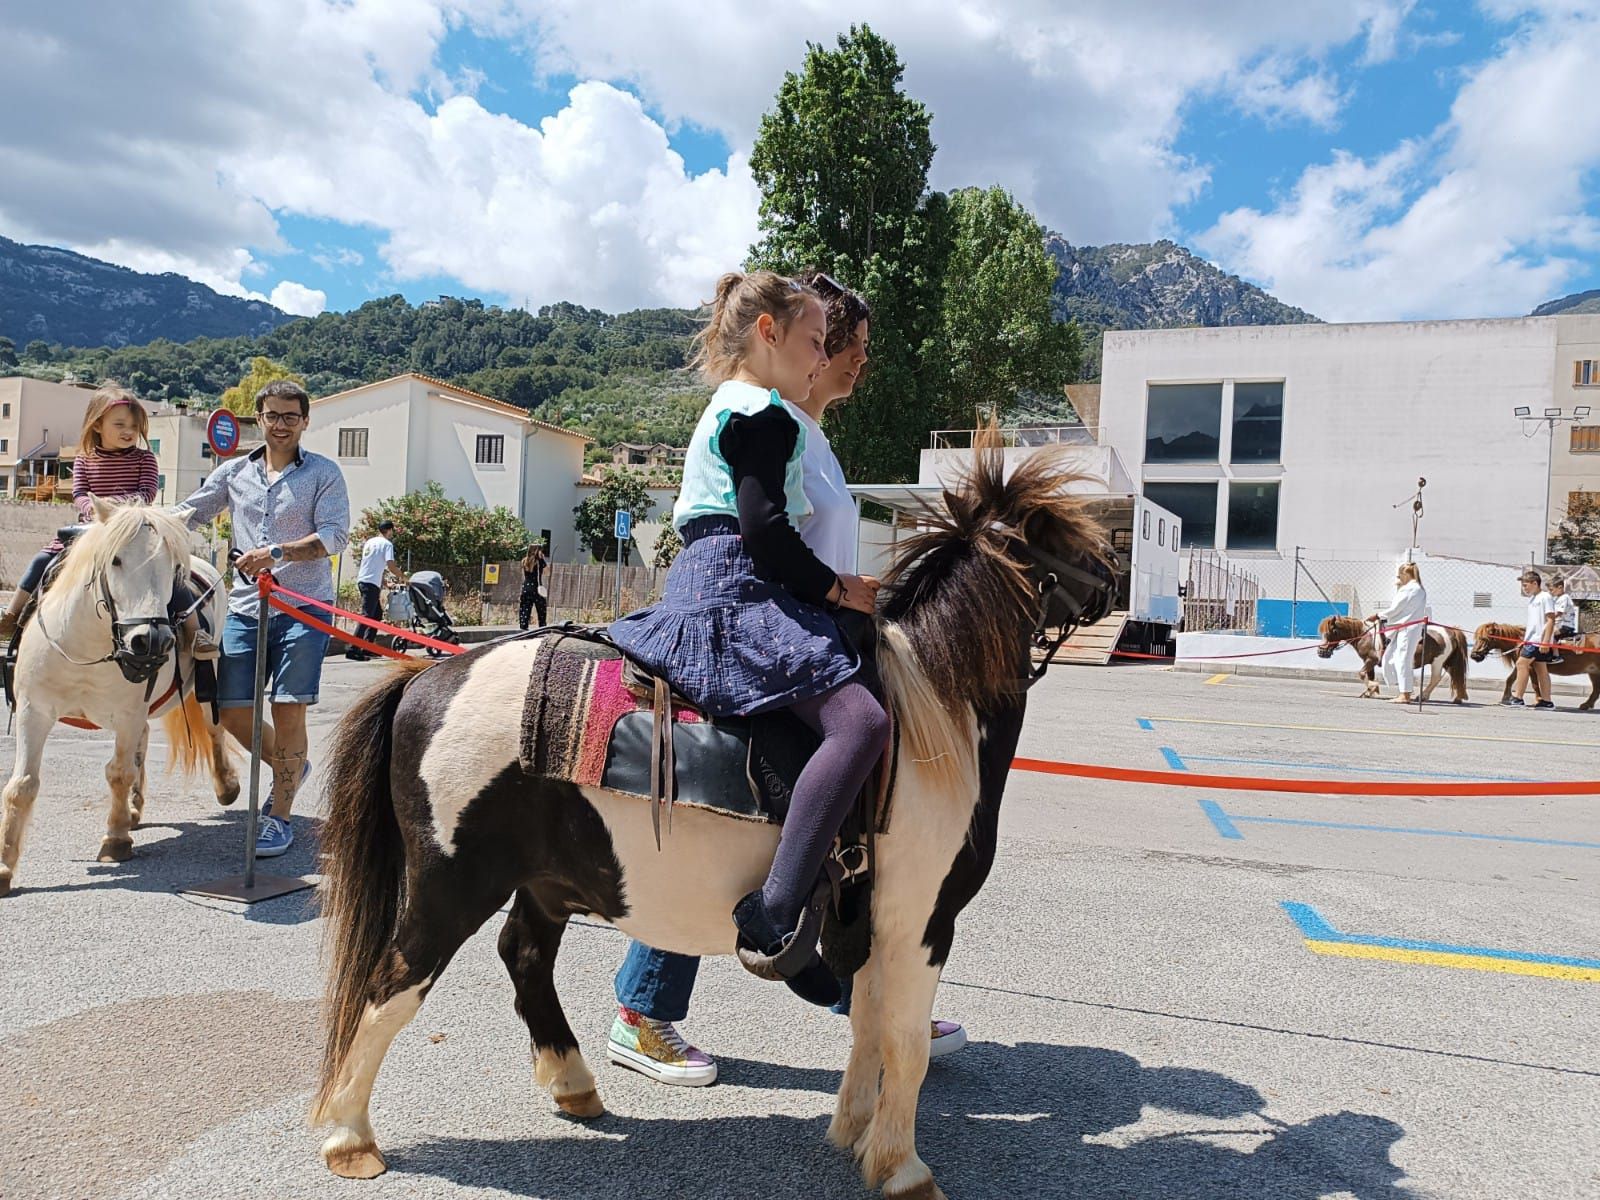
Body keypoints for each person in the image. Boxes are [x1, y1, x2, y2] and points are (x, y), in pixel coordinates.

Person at [606, 273, 963, 1089]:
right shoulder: (766, 412)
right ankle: (771, 928)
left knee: (831, 777)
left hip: (753, 591)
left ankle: (848, 983)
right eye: (824, 342)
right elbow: (766, 536)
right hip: (745, 595)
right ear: (774, 334)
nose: (840, 360)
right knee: (857, 732)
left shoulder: (760, 410)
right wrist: (841, 594)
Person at [176, 380, 350, 856]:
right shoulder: (234, 473)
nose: (280, 425)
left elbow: (335, 536)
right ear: (260, 418)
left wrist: (277, 552)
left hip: (303, 609)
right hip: (247, 609)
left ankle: (280, 816)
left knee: (287, 708)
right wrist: (138, 523)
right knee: (232, 713)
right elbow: (189, 512)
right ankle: (291, 769)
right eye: (272, 416)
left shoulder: (324, 473)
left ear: (305, 421)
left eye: (290, 416)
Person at [0, 385, 213, 660]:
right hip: (93, 528)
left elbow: (146, 493)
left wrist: (116, 508)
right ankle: (12, 614)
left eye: (134, 426)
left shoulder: (144, 459)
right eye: (120, 424)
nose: (128, 431)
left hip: (132, 530)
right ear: (98, 425)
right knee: (43, 561)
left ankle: (195, 633)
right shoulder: (84, 459)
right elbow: (79, 493)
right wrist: (93, 509)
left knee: (169, 572)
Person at [1369, 562, 1427, 704]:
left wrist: (1378, 615)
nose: (1399, 579)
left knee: (1403, 660)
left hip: (1407, 629)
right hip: (1408, 628)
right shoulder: (1419, 589)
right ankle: (1404, 689)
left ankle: (1405, 694)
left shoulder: (1408, 589)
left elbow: (1395, 609)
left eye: (1399, 576)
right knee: (1391, 657)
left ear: (1405, 574)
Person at [347, 519, 404, 661]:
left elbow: (372, 565)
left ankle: (368, 646)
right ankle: (354, 648)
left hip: (364, 581)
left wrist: (383, 582)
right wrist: (404, 577)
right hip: (371, 584)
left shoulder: (370, 542)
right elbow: (391, 566)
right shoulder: (387, 544)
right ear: (389, 530)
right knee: (367, 616)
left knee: (376, 614)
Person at [1507, 569, 1556, 709]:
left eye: (1525, 585)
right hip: (1532, 640)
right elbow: (1534, 622)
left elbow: (1551, 619)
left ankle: (1517, 698)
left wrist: (1546, 641)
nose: (1524, 588)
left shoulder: (1545, 597)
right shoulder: (1533, 599)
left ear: (1535, 583)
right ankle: (1546, 701)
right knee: (1541, 669)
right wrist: (1525, 639)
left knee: (1521, 664)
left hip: (1538, 641)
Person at [517, 541, 548, 630]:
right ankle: (542, 628)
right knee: (541, 609)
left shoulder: (524, 561)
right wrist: (543, 559)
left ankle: (523, 627)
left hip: (526, 587)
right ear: (536, 551)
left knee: (525, 609)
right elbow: (547, 573)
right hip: (536, 588)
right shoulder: (540, 562)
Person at [1549, 575, 1577, 666]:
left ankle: (1556, 656)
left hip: (1565, 626)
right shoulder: (1558, 598)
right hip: (1559, 625)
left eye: (1552, 589)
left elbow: (1559, 613)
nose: (1551, 592)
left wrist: (1548, 619)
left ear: (1560, 587)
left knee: (1548, 634)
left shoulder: (1564, 598)